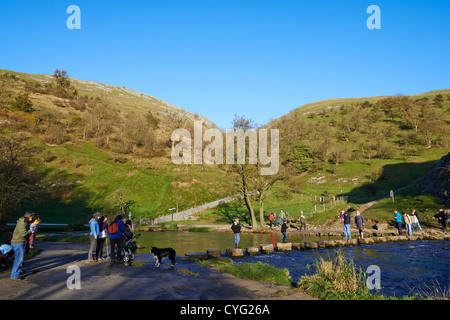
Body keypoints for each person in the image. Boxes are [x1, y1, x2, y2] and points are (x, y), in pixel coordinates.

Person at [10, 211, 35, 281]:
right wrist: (31, 230)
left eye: (32, 218)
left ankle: (15, 273)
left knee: (19, 259)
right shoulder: (22, 223)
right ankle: (14, 275)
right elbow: (23, 234)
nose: (31, 219)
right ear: (27, 217)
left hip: (19, 242)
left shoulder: (24, 222)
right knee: (18, 259)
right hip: (17, 243)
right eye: (30, 217)